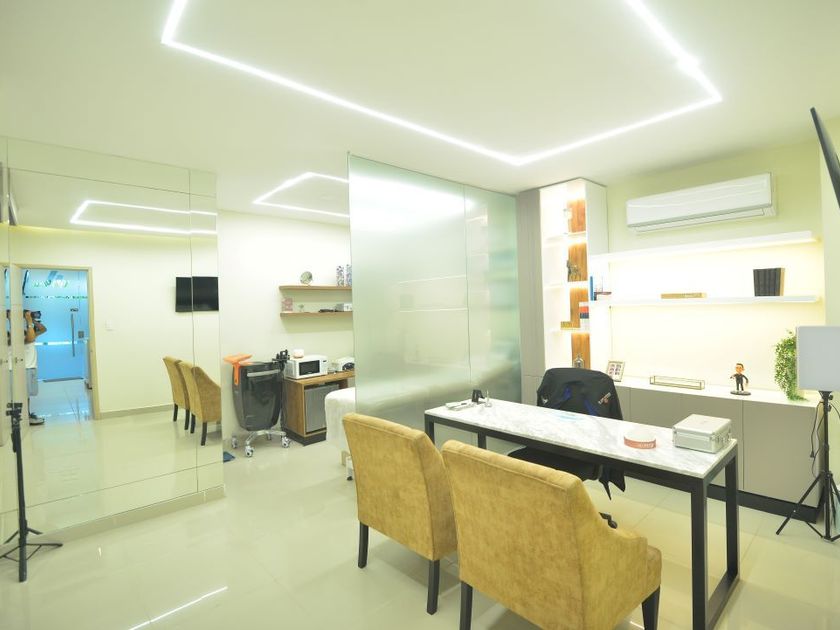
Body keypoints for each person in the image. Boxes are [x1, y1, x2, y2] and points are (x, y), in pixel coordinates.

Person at [24, 310, 47, 425]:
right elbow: (30, 339)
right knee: (24, 394)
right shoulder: (24, 335)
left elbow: (43, 329)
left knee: (27, 394)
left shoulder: (31, 333)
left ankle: (27, 415)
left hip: (31, 367)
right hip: (25, 367)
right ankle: (25, 417)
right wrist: (29, 321)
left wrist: (32, 320)